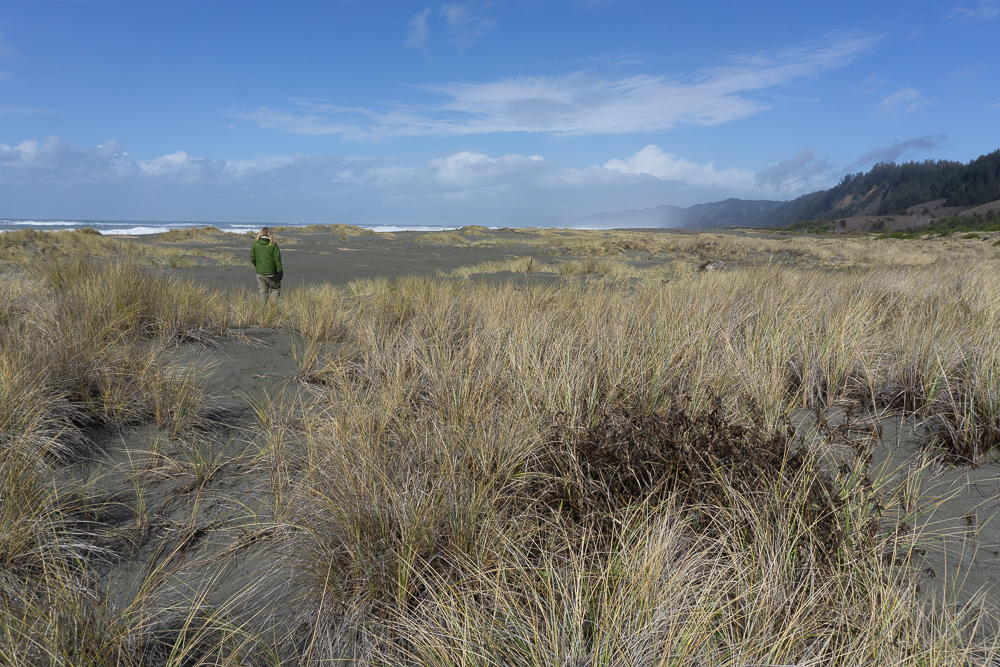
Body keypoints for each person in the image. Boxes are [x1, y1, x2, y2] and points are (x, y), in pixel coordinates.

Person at [250, 226, 283, 307]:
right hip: (271, 272)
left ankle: (263, 310)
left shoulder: (255, 244)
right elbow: (277, 259)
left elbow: (252, 258)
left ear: (260, 234)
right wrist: (280, 270)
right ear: (269, 234)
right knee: (275, 289)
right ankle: (271, 308)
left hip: (260, 272)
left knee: (263, 292)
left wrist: (256, 265)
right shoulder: (273, 244)